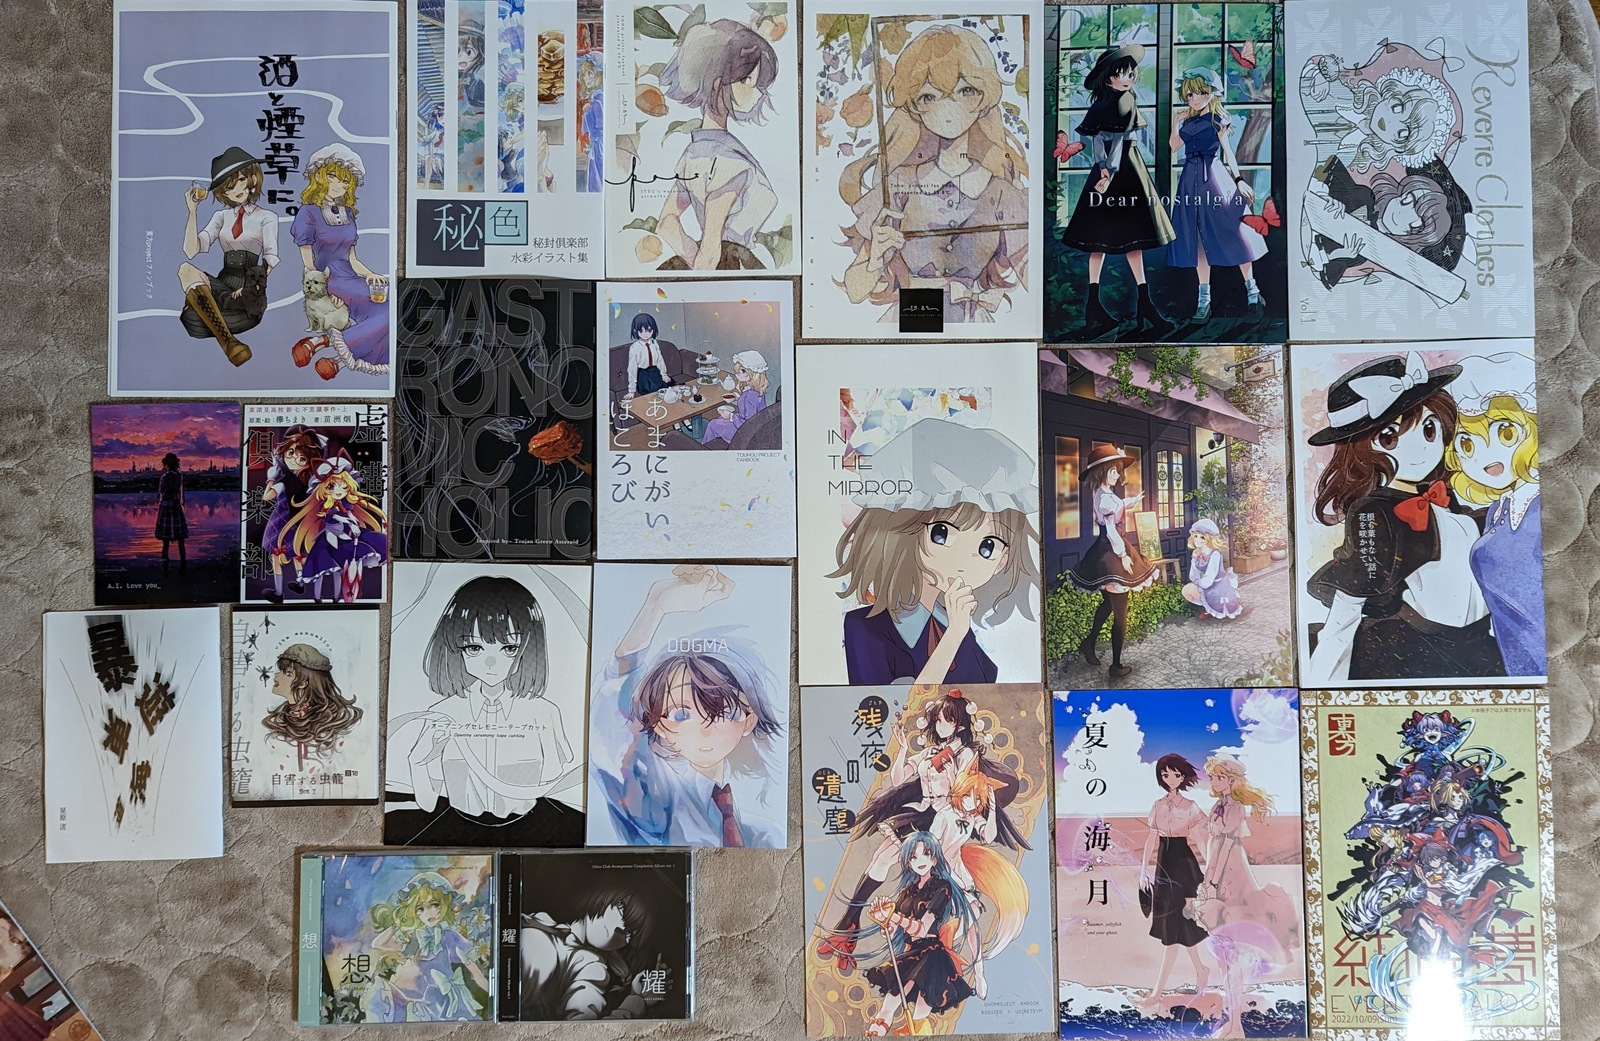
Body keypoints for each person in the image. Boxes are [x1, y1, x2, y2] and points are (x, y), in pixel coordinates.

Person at [1304, 352, 1503, 683]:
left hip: (1479, 645)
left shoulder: (1448, 495)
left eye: (1428, 429)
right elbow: (1348, 603)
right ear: (1363, 451)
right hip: (1415, 650)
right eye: (1390, 438)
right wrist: (1323, 685)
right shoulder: (1375, 511)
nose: (1420, 449)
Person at [838, 24, 1029, 325]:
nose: (947, 108)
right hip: (915, 318)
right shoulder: (899, 183)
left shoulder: (1002, 193)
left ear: (984, 99)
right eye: (929, 97)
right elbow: (853, 291)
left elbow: (1035, 276)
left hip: (973, 326)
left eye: (965, 91)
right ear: (914, 106)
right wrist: (875, 259)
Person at [830, 419, 1040, 685]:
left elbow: (987, 687)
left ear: (1002, 559)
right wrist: (954, 635)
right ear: (902, 531)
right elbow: (895, 708)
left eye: (988, 546)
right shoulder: (865, 627)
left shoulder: (953, 622)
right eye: (942, 533)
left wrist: (957, 630)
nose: (964, 561)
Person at [588, 565, 785, 848]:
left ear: (749, 720)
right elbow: (613, 739)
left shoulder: (764, 834)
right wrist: (655, 606)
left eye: (723, 713)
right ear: (658, 723)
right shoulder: (657, 805)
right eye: (681, 714)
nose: (704, 730)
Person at [388, 575, 579, 835]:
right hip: (458, 829)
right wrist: (417, 762)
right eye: (474, 647)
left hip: (530, 829)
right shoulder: (443, 713)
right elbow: (428, 803)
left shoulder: (543, 712)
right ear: (454, 648)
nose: (491, 663)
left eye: (509, 648)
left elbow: (553, 780)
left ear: (528, 648)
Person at [1059, 44, 1175, 337]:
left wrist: (1104, 169)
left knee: (1108, 240)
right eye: (1121, 74)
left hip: (1115, 170)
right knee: (1117, 240)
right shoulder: (1119, 101)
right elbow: (1113, 140)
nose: (1127, 78)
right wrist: (1107, 170)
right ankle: (1138, 308)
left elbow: (1105, 140)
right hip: (1122, 169)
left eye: (1130, 73)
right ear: (1108, 77)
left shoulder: (1116, 100)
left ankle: (1102, 309)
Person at [1444, 352, 1545, 677]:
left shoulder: (1546, 508)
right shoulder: (1498, 510)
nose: (1484, 455)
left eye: (1505, 434)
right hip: (1513, 660)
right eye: (1467, 444)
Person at [656, 19, 780, 270]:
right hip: (731, 266)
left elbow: (666, 224)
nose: (758, 93)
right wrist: (704, 266)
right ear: (717, 83)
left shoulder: (693, 154)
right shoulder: (726, 160)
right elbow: (711, 251)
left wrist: (693, 259)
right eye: (747, 80)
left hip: (720, 264)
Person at [1166, 68, 1266, 324]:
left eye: (1200, 92)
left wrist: (1239, 180)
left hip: (1214, 176)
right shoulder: (1187, 122)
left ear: (1211, 93)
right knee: (1197, 236)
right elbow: (1174, 147)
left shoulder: (1217, 119)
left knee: (1234, 229)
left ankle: (1253, 291)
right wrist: (1176, 122)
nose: (1194, 98)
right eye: (1189, 94)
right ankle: (1204, 299)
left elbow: (1227, 151)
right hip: (1190, 179)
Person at [861, 831, 977, 1036]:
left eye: (926, 855)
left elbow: (922, 929)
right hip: (910, 952)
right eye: (913, 857)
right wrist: (883, 920)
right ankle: (876, 1031)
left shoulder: (942, 888)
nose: (919, 861)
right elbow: (891, 931)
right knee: (891, 1000)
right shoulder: (907, 892)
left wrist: (893, 917)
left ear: (934, 858)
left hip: (931, 954)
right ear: (908, 862)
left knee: (918, 1009)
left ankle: (915, 1031)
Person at [289, 144, 390, 378]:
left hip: (351, 277)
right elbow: (308, 262)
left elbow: (352, 259)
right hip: (329, 279)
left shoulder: (348, 213)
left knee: (388, 309)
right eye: (333, 176)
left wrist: (370, 274)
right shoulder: (308, 212)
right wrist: (323, 291)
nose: (339, 185)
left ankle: (323, 346)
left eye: (345, 181)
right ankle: (332, 354)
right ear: (319, 176)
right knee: (388, 313)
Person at [176, 145, 275, 366]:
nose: (236, 189)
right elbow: (191, 250)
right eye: (229, 186)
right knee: (185, 270)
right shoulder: (221, 217)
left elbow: (270, 259)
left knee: (192, 317)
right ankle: (230, 342)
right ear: (223, 192)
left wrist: (249, 288)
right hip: (222, 287)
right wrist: (192, 212)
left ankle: (217, 327)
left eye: (241, 180)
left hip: (249, 292)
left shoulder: (266, 217)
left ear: (252, 178)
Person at [1069, 444, 1157, 678]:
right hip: (1111, 550)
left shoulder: (1104, 493)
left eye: (1118, 471)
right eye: (1113, 471)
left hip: (1107, 549)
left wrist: (1133, 500)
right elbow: (1110, 529)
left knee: (1108, 604)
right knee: (1120, 613)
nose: (1117, 475)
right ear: (1101, 473)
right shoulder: (1104, 498)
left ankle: (1089, 643)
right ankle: (1116, 666)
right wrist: (1123, 555)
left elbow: (1118, 505)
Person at [1137, 753, 1211, 1011]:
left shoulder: (1190, 806)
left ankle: (1156, 993)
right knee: (1178, 926)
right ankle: (1201, 970)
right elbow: (1151, 839)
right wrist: (1143, 870)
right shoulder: (1157, 805)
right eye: (1165, 774)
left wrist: (1211, 867)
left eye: (1175, 774)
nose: (1170, 778)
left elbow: (1200, 838)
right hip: (1163, 866)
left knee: (1175, 929)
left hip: (1185, 866)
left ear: (1183, 777)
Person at [367, 872, 489, 1022]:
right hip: (430, 998)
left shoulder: (451, 937)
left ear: (445, 904)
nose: (429, 912)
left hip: (453, 997)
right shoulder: (418, 939)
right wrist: (397, 924)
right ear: (414, 912)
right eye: (420, 908)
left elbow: (476, 974)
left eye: (435, 904)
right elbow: (378, 944)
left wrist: (496, 997)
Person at [278, 457, 388, 603]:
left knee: (340, 569)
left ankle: (337, 597)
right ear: (323, 488)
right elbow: (332, 516)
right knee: (321, 568)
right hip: (329, 538)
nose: (339, 491)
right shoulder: (326, 505)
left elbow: (349, 513)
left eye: (344, 486)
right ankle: (317, 597)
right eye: (332, 486)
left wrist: (353, 522)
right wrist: (346, 520)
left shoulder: (345, 503)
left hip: (345, 536)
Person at [261, 643, 363, 773]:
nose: (276, 675)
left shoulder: (338, 722)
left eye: (288, 673)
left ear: (303, 683)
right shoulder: (278, 722)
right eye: (280, 670)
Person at [260, 427, 323, 603]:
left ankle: (279, 593)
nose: (294, 459)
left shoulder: (284, 481)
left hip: (280, 522)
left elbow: (266, 497)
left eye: (301, 458)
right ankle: (300, 584)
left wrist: (271, 478)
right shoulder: (310, 482)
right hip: (300, 523)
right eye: (290, 453)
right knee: (298, 554)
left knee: (276, 555)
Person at [698, 350, 770, 444]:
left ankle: (704, 447)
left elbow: (749, 423)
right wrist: (739, 398)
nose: (737, 373)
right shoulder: (756, 392)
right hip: (752, 427)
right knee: (719, 419)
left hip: (744, 433)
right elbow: (751, 407)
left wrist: (731, 416)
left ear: (752, 373)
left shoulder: (750, 396)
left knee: (713, 424)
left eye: (742, 371)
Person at [1182, 517, 1242, 619]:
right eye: (1195, 536)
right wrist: (1194, 559)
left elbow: (1208, 581)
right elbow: (1193, 576)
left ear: (1209, 539)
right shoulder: (1197, 552)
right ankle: (1207, 607)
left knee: (1190, 589)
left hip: (1218, 586)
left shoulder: (1215, 554)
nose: (1197, 540)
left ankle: (1211, 608)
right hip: (1206, 583)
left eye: (1202, 537)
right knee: (1186, 591)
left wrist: (1198, 583)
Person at [154, 452, 188, 571]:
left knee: (165, 541)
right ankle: (183, 563)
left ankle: (165, 564)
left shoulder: (164, 477)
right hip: (176, 506)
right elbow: (180, 494)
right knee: (181, 539)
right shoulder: (179, 476)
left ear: (166, 464)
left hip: (165, 507)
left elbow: (161, 492)